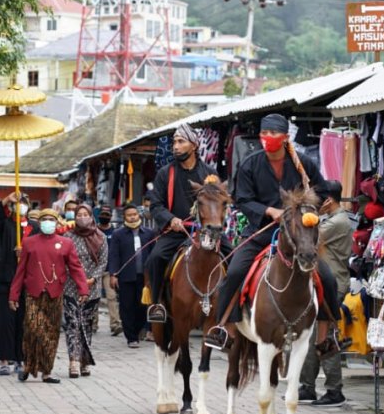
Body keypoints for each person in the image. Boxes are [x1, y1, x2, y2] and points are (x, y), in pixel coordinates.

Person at [208, 114, 340, 350]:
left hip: (298, 235)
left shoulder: (303, 163)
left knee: (328, 279)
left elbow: (320, 190)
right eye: (264, 133)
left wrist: (306, 208)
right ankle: (226, 330)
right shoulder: (250, 163)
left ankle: (326, 336)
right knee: (234, 273)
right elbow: (242, 199)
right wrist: (269, 211)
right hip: (260, 231)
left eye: (273, 133)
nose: (267, 137)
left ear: (286, 137)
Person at [144, 123, 218, 324]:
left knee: (231, 257)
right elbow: (156, 205)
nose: (175, 146)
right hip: (174, 233)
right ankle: (157, 304)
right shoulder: (165, 173)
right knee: (155, 258)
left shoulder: (210, 174)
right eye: (174, 142)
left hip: (205, 233)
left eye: (181, 142)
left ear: (194, 145)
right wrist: (170, 219)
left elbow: (217, 203)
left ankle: (227, 315)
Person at [10, 209, 89, 383]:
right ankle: (28, 365)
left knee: (52, 332)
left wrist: (83, 289)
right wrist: (13, 295)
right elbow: (20, 270)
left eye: (51, 219)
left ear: (57, 222)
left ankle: (46, 371)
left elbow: (75, 268)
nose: (47, 222)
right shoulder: (29, 242)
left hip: (55, 292)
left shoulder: (66, 243)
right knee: (33, 329)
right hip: (33, 292)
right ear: (39, 222)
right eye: (44, 219)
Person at [299, 180, 350, 407]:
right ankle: (307, 387)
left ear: (328, 200)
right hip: (321, 283)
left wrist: (314, 215)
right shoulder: (332, 219)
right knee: (311, 336)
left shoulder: (337, 222)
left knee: (325, 334)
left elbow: (309, 237)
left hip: (333, 284)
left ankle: (334, 390)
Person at [0, 191, 39, 374]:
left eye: (23, 202)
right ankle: (5, 359)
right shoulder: (5, 224)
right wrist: (6, 200)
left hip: (28, 281)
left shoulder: (35, 227)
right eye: (17, 203)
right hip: (6, 279)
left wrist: (26, 253)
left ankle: (20, 358)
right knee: (5, 321)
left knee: (24, 321)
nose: (20, 205)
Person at [62, 204, 108, 378]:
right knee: (72, 324)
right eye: (79, 214)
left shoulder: (101, 237)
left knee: (86, 325)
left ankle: (84, 361)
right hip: (71, 286)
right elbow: (63, 261)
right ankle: (73, 361)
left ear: (91, 216)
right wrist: (79, 279)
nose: (82, 217)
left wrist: (93, 279)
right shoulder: (68, 237)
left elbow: (103, 262)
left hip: (92, 288)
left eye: (85, 214)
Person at [108, 203, 157, 348]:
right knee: (127, 306)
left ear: (138, 215)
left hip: (144, 277)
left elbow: (154, 254)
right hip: (126, 277)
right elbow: (114, 255)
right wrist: (113, 274)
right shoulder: (118, 234)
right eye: (129, 215)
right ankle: (131, 337)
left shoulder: (149, 233)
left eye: (134, 214)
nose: (132, 217)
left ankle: (137, 330)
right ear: (124, 217)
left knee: (142, 306)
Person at [96, 206, 123, 338]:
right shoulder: (94, 231)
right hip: (95, 269)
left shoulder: (115, 232)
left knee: (111, 297)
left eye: (107, 214)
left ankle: (115, 324)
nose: (105, 216)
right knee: (93, 297)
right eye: (103, 214)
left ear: (111, 217)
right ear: (98, 215)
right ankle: (92, 323)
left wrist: (115, 271)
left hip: (109, 270)